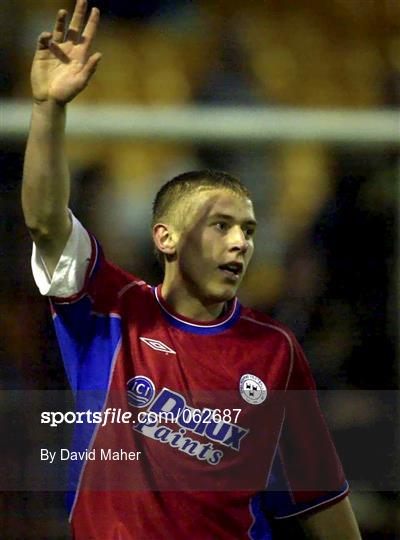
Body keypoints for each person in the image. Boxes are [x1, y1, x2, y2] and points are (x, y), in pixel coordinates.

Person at [22, 1, 362, 538]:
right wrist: (47, 110)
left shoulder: (274, 350)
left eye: (247, 230)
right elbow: (44, 222)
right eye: (219, 225)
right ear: (166, 238)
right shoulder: (110, 306)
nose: (239, 243)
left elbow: (319, 496)